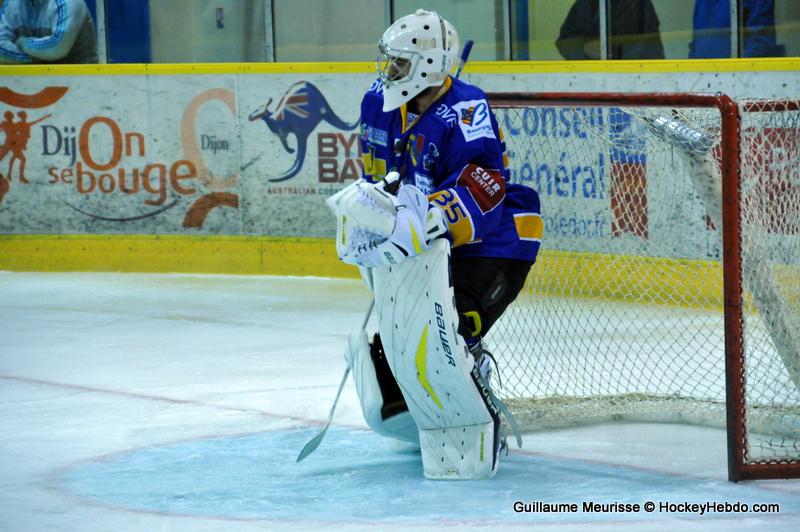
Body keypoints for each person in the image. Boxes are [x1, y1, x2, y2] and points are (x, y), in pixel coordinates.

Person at [329, 9, 541, 479]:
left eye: (401, 63)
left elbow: (486, 187)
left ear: (428, 65)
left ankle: (475, 404)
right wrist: (373, 218)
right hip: (427, 252)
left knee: (452, 332)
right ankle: (418, 411)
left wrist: (434, 217)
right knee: (402, 340)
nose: (390, 72)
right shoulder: (376, 102)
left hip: (495, 244)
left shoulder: (466, 110)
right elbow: (377, 175)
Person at [556, 0, 665, 60]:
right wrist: (584, 48)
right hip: (590, 82)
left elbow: (653, 50)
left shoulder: (640, 4)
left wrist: (617, 52)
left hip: (631, 80)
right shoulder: (585, 4)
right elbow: (564, 43)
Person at [0, 0, 98, 64]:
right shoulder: (11, 3)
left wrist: (22, 43)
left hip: (81, 81)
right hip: (27, 80)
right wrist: (35, 59)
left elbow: (57, 48)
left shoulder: (69, 2)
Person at [689, 0, 783, 58]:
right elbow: (696, 44)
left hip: (740, 81)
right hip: (704, 81)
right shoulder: (701, 2)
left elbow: (760, 41)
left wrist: (734, 75)